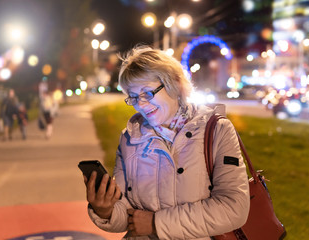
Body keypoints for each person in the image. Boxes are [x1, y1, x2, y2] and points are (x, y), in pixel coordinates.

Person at [83, 45, 250, 239]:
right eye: (134, 97)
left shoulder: (217, 130)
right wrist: (105, 211)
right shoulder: (129, 139)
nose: (141, 105)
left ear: (175, 84)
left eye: (147, 93)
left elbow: (233, 207)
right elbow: (128, 217)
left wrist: (156, 223)